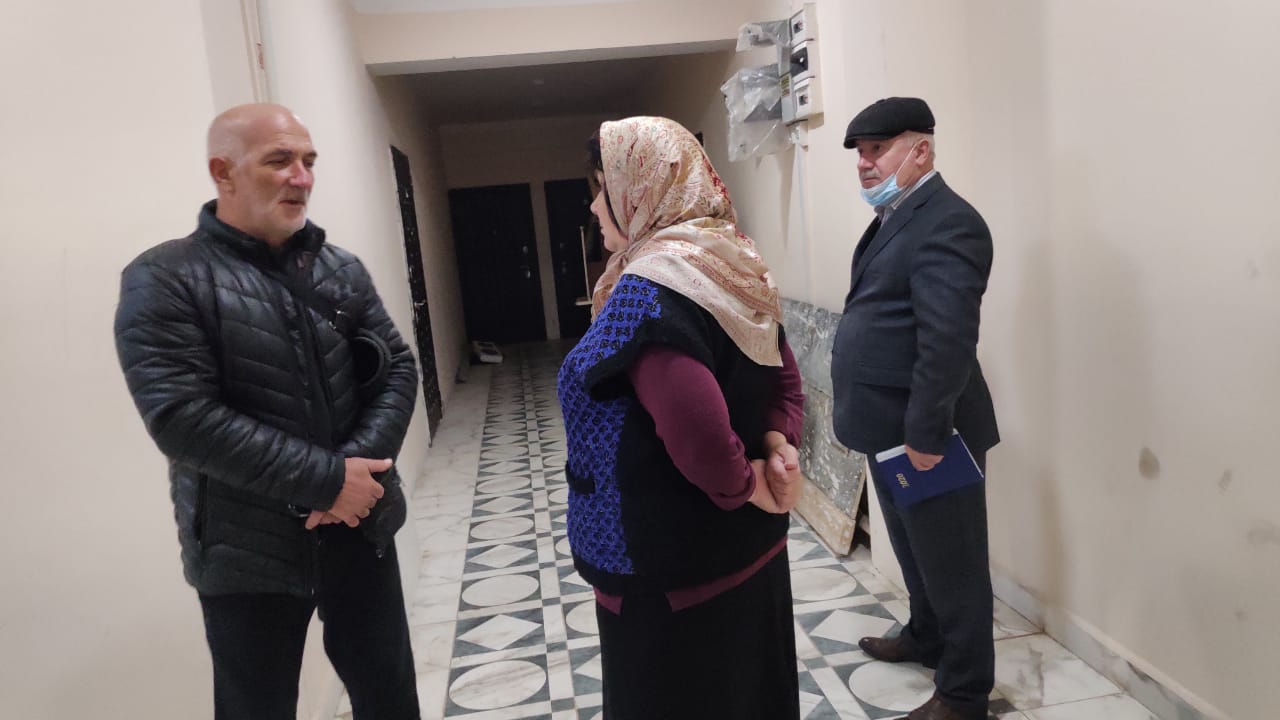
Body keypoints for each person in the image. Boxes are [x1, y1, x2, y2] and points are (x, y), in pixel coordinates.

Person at [114, 103, 421, 720]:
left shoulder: (339, 269)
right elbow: (182, 418)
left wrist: (354, 476)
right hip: (246, 553)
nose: (301, 177)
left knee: (389, 696)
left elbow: (397, 369)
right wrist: (327, 481)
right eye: (279, 161)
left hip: (359, 527)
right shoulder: (165, 279)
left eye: (308, 161)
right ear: (222, 172)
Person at [557, 116, 806, 719]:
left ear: (641, 192)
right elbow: (783, 375)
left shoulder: (651, 291)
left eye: (603, 190)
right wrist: (780, 448)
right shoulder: (734, 263)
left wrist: (750, 485)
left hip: (673, 571)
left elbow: (697, 434)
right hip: (746, 552)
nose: (594, 206)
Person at [830, 96, 1001, 720]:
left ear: (920, 150)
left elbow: (947, 339)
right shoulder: (897, 217)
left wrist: (928, 433)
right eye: (860, 153)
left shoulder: (950, 222)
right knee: (914, 549)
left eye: (878, 149)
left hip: (928, 432)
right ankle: (926, 634)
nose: (865, 163)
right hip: (889, 428)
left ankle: (964, 693)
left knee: (953, 563)